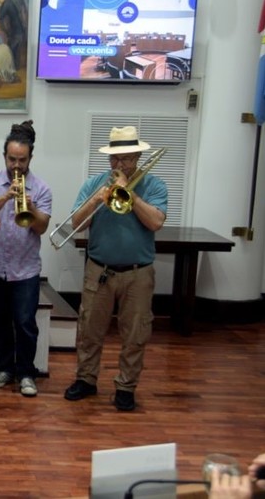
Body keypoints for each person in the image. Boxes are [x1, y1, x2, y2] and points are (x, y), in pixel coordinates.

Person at [63, 126, 167, 412]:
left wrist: (129, 195)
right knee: (89, 329)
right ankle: (85, 379)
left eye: (126, 159)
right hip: (99, 269)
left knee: (136, 334)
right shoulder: (94, 184)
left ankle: (126, 387)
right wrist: (96, 199)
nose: (120, 165)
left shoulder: (155, 186)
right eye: (115, 159)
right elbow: (76, 225)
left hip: (138, 272)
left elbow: (156, 222)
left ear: (137, 157)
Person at [0, 120, 52, 397]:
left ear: (30, 158)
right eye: (12, 159)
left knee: (24, 324)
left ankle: (26, 373)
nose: (16, 165)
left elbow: (41, 228)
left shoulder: (41, 189)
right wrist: (5, 197)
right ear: (4, 156)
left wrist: (30, 207)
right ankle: (4, 368)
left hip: (25, 270)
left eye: (22, 160)